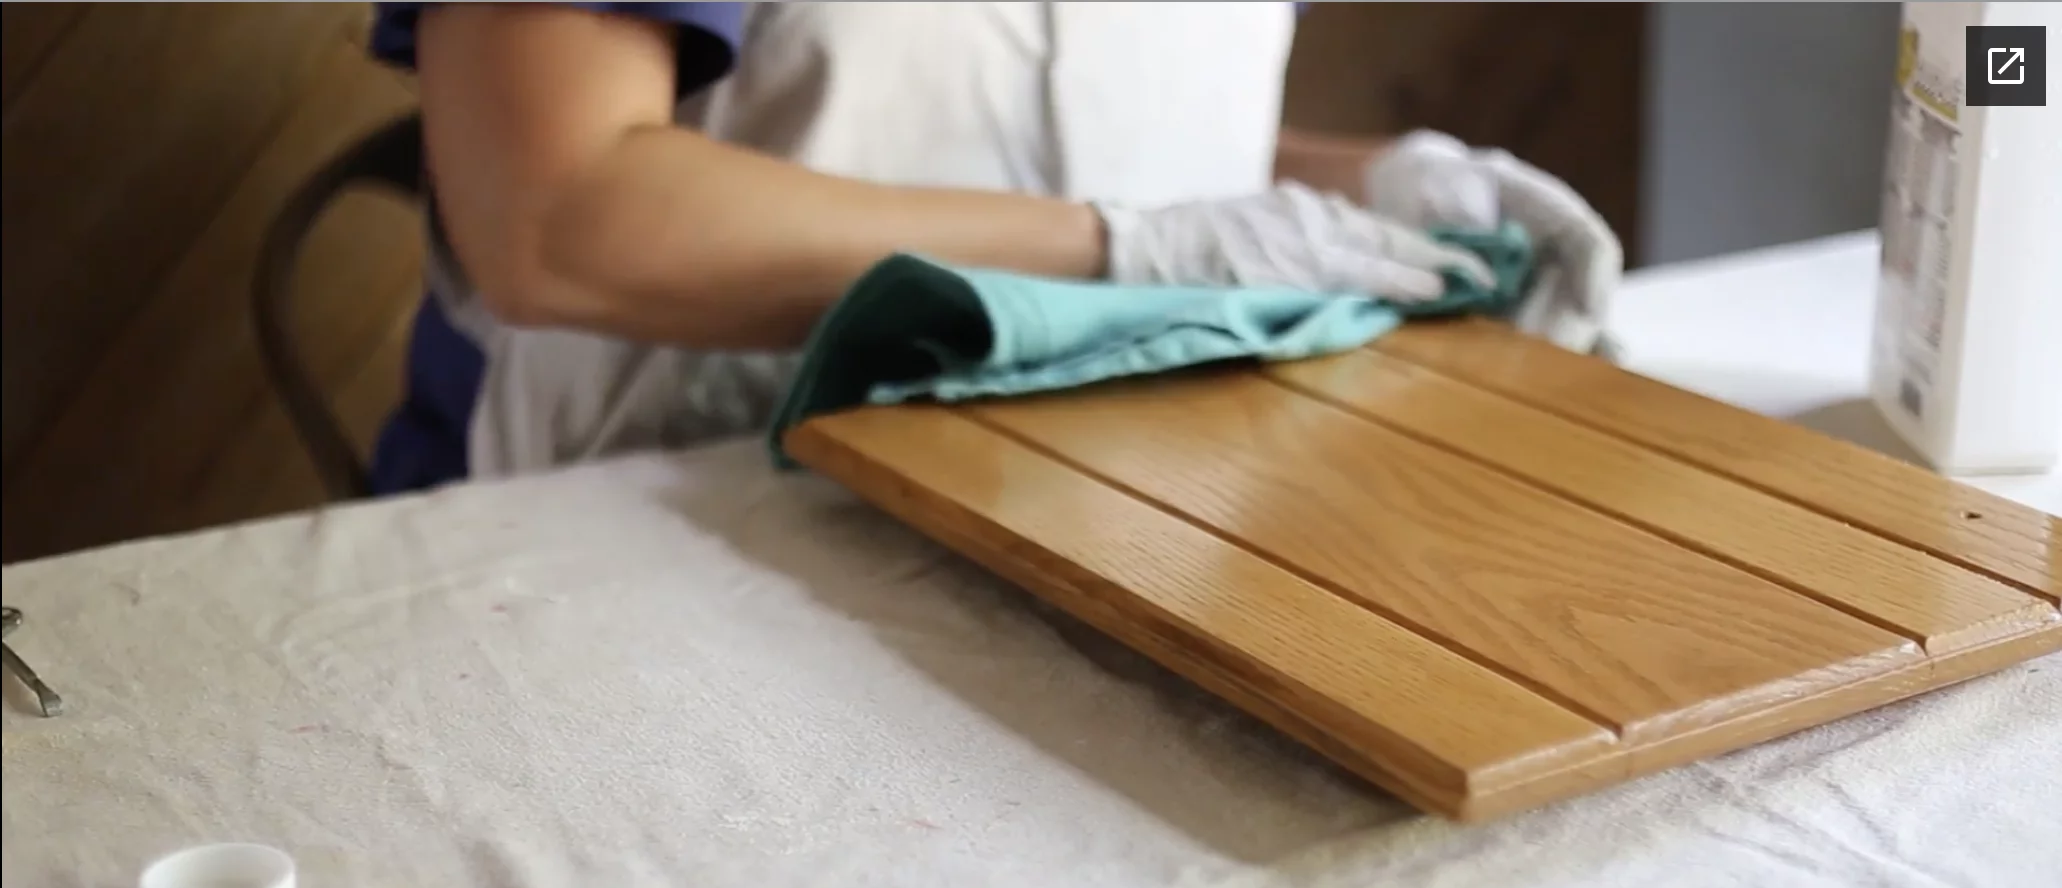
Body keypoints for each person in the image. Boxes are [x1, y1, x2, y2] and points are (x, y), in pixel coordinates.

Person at [364, 2, 1622, 495]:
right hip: (651, 507)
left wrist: (1373, 190)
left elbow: (1101, 122)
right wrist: (1129, 253)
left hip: (1131, 503)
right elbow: (558, 218)